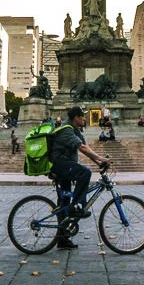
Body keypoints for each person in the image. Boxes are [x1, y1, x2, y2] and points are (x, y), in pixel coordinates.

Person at [49, 106, 110, 250]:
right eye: (82, 116)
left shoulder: (75, 130)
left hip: (65, 166)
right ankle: (76, 206)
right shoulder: (65, 130)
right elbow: (81, 148)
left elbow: (85, 148)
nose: (84, 119)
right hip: (60, 165)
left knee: (64, 201)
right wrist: (101, 158)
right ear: (76, 117)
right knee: (85, 173)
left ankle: (63, 239)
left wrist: (99, 162)